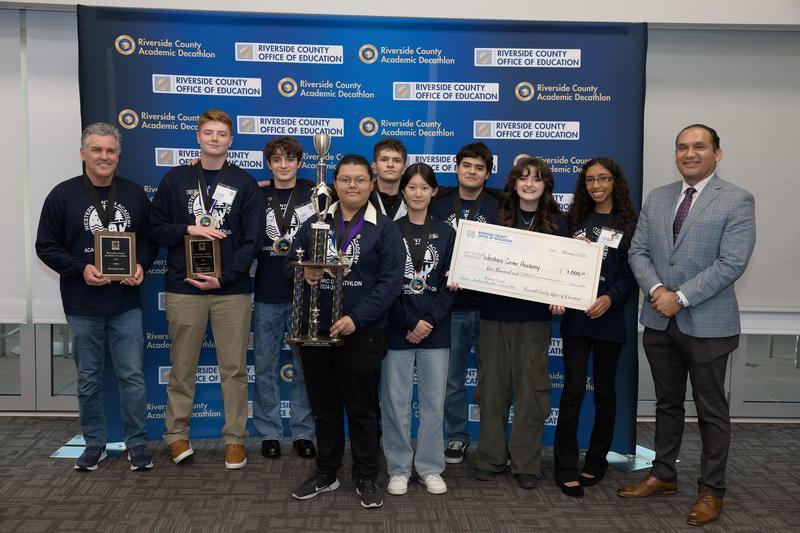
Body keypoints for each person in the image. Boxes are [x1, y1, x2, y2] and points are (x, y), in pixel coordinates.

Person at [619, 124, 756, 526]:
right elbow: (639, 252)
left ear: (718, 153)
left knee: (711, 410)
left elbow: (732, 262)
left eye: (699, 146)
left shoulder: (736, 200)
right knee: (667, 404)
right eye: (682, 147)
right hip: (660, 324)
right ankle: (663, 474)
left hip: (708, 323)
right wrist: (659, 290)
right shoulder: (658, 198)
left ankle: (711, 491)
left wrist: (680, 297)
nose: (689, 153)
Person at [35, 122, 157, 471]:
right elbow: (45, 246)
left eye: (111, 151)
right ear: (83, 153)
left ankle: (137, 445)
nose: (104, 156)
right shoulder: (63, 195)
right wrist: (80, 269)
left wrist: (141, 265)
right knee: (88, 378)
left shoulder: (133, 194)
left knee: (131, 376)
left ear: (118, 156)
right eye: (97, 150)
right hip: (82, 302)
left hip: (125, 304)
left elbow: (149, 240)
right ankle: (94, 444)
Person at [149, 109, 264, 469]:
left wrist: (224, 277)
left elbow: (252, 241)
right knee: (182, 366)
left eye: (221, 134)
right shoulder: (175, 179)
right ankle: (176, 435)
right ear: (198, 138)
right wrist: (189, 229)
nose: (215, 139)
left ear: (231, 141)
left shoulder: (244, 184)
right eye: (209, 133)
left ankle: (234, 439)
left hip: (231, 291)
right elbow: (155, 226)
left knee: (233, 368)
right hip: (185, 288)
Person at [288, 154, 404, 509]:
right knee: (324, 409)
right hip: (316, 331)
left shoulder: (384, 228)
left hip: (362, 334)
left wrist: (357, 317)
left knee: (362, 410)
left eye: (359, 179)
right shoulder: (314, 224)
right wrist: (304, 273)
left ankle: (366, 476)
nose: (352, 185)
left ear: (371, 184)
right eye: (345, 179)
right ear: (333, 184)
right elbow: (289, 266)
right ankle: (327, 471)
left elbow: (390, 284)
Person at [470, 157, 569, 489]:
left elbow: (565, 270)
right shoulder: (494, 216)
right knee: (492, 389)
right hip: (494, 315)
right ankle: (490, 457)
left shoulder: (558, 222)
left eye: (537, 179)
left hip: (535, 319)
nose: (530, 184)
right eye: (523, 178)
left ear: (546, 186)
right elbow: (475, 258)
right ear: (513, 182)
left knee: (531, 391)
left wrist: (562, 293)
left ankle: (526, 462)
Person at [553, 157, 638, 497]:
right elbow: (557, 264)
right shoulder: (572, 218)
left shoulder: (630, 223)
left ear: (615, 182)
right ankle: (564, 465)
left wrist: (609, 298)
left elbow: (632, 275)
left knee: (605, 391)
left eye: (603, 179)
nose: (596, 185)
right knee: (572, 391)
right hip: (575, 318)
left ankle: (597, 460)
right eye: (590, 180)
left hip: (609, 318)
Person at [382, 163, 456, 497]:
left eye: (424, 188)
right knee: (396, 402)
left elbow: (450, 285)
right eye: (411, 187)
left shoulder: (447, 232)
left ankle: (429, 468)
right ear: (403, 191)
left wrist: (427, 323)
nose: (417, 193)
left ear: (434, 192)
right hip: (397, 329)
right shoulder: (388, 230)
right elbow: (384, 286)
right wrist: (409, 323)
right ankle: (398, 467)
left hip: (435, 331)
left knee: (432, 404)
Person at [431, 141, 499, 465]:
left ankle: (492, 441)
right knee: (453, 378)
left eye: (479, 168)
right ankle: (456, 437)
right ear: (456, 167)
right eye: (467, 166)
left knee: (493, 378)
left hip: (490, 308)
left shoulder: (501, 206)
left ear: (488, 173)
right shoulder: (438, 202)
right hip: (451, 307)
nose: (472, 172)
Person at [252, 136, 316, 460]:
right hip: (266, 293)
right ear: (269, 164)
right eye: (276, 159)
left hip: (303, 293)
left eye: (289, 159)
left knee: (304, 366)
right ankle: (269, 432)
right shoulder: (258, 194)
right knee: (264, 365)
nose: (283, 165)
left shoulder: (313, 194)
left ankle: (303, 431)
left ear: (300, 163)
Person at [369, 137, 408, 221]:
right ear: (374, 167)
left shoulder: (413, 198)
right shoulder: (363, 196)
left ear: (404, 169)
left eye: (397, 161)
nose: (390, 165)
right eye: (384, 160)